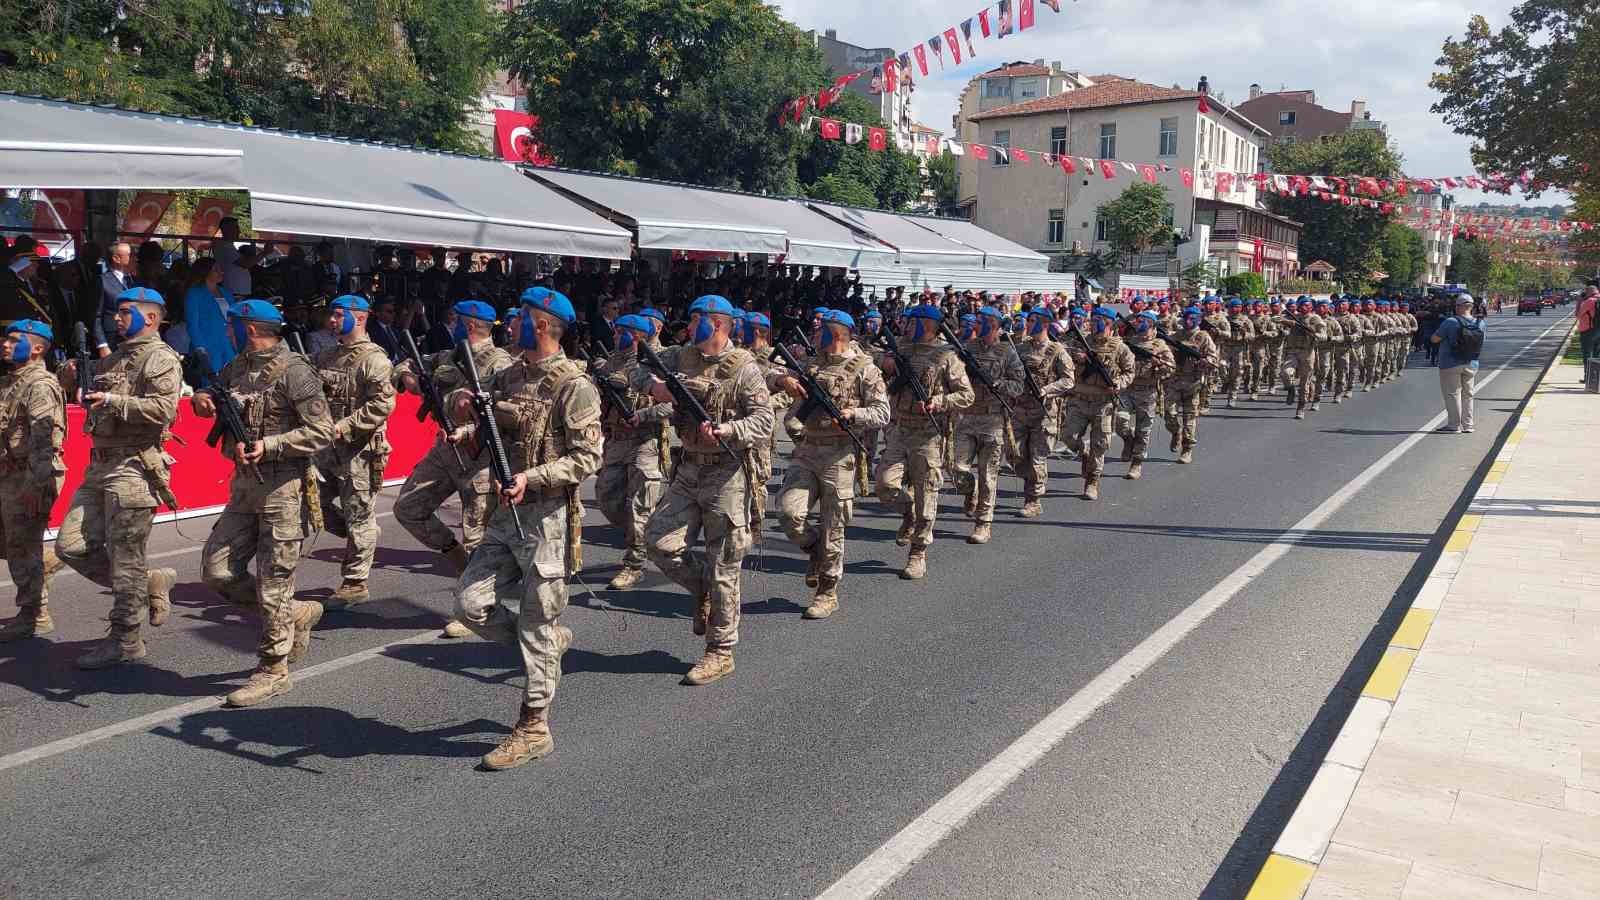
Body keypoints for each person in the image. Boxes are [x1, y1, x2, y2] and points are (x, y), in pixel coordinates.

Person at [450, 288, 601, 769]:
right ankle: (546, 647)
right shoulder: (507, 373)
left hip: (546, 519)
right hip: (503, 515)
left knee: (537, 620)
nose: (509, 323)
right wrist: (465, 414)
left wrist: (532, 478)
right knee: (470, 604)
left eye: (518, 317)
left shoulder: (574, 385)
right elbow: (482, 410)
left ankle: (533, 726)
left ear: (541, 324)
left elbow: (587, 456)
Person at [192, 299, 335, 706]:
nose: (230, 331)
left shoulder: (294, 372)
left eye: (234, 325)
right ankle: (294, 615)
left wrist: (270, 445)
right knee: (216, 570)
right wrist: (203, 400)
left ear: (251, 329)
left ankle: (274, 669)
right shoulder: (238, 366)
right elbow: (218, 394)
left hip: (283, 489)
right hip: (243, 489)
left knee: (274, 582)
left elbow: (321, 431)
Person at [638, 294, 773, 685]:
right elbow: (636, 370)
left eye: (695, 318)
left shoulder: (743, 367)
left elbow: (764, 421)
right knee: (660, 542)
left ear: (716, 324)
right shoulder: (681, 356)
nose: (687, 325)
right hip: (688, 470)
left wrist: (728, 430)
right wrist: (656, 387)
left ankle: (720, 650)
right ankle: (702, 590)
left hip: (727, 474)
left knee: (725, 564)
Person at [55, 288, 182, 667]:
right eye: (117, 312)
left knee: (126, 558)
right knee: (71, 545)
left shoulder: (159, 358)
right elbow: (82, 391)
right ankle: (150, 582)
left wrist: (113, 401)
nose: (117, 318)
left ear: (152, 318)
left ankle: (126, 639)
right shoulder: (117, 358)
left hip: (134, 466)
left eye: (126, 312)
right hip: (100, 465)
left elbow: (164, 409)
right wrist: (70, 375)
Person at [394, 300, 513, 638]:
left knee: (477, 533)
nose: (452, 323)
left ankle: (477, 608)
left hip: (480, 456)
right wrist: (408, 378)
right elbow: (406, 363)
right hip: (445, 450)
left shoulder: (500, 363)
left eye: (458, 320)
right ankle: (457, 560)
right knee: (409, 508)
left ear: (472, 324)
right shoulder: (448, 355)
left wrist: (469, 423)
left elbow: (500, 411)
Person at [774, 309, 889, 619]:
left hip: (839, 456)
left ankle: (827, 591)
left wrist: (854, 415)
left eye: (820, 330)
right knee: (788, 512)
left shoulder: (865, 369)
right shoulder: (812, 366)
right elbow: (793, 404)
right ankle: (815, 550)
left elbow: (882, 413)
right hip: (807, 451)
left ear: (836, 335)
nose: (814, 334)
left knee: (833, 525)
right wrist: (783, 383)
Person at [308, 295, 396, 607]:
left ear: (359, 318)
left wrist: (345, 426)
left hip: (359, 451)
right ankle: (365, 536)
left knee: (358, 512)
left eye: (337, 314)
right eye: (331, 315)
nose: (331, 321)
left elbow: (382, 404)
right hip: (326, 449)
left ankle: (355, 581)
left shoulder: (374, 359)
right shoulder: (327, 355)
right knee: (310, 502)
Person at [874, 303, 973, 578]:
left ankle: (918, 552)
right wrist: (885, 364)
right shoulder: (899, 349)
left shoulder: (946, 356)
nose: (906, 325)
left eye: (912, 321)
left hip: (927, 435)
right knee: (884, 484)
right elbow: (873, 369)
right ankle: (907, 513)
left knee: (926, 494)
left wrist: (938, 402)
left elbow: (966, 395)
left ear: (928, 325)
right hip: (898, 430)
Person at [0, 321, 67, 641]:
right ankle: (45, 566)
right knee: (13, 544)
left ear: (38, 348)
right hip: (9, 472)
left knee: (21, 545)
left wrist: (35, 485)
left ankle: (35, 614)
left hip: (29, 474)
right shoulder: (10, 382)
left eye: (15, 340)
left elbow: (45, 442)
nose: (6, 344)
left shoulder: (39, 385)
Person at [592, 314, 670, 591]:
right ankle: (643, 537)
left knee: (639, 507)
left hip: (644, 442)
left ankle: (634, 563)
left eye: (620, 332)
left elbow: (675, 405)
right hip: (616, 440)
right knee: (606, 497)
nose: (615, 336)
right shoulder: (612, 360)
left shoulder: (654, 363)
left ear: (635, 335)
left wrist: (643, 414)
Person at [951, 306, 1023, 544]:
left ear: (993, 325)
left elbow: (1018, 386)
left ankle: (983, 523)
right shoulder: (965, 349)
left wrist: (996, 384)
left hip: (993, 421)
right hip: (966, 417)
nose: (976, 325)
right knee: (958, 468)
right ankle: (968, 492)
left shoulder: (1007, 352)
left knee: (988, 474)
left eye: (981, 321)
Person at [1061, 307, 1135, 499]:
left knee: (1100, 444)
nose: (1093, 324)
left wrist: (1118, 384)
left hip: (1103, 402)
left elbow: (1129, 372)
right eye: (1092, 321)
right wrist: (1076, 359)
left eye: (1098, 321)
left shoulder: (1120, 348)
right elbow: (1062, 356)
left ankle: (1092, 481)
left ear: (1108, 323)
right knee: (1068, 435)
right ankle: (1082, 451)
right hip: (1079, 398)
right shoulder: (1080, 342)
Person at [1011, 307, 1074, 515]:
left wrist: (1047, 389)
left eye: (1032, 320)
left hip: (1044, 413)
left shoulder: (1057, 351)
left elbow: (1068, 380)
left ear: (1045, 324)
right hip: (1020, 410)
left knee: (1037, 457)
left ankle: (1033, 500)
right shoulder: (1019, 348)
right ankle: (1032, 482)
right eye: (1027, 320)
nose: (1027, 324)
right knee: (1015, 455)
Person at [1116, 311, 1176, 479]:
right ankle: (1128, 440)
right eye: (1138, 320)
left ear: (1151, 324)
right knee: (1119, 419)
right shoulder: (1129, 342)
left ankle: (1137, 463)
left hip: (1147, 392)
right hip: (1127, 388)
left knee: (1143, 430)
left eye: (1142, 320)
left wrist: (1158, 366)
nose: (1138, 322)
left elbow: (1170, 369)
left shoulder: (1160, 346)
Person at [1162, 306, 1221, 464]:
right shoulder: (1175, 336)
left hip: (1193, 382)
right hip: (1174, 381)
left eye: (1192, 318)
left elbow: (1213, 358)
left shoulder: (1203, 337)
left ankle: (1187, 449)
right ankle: (1176, 433)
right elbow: (1164, 352)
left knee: (1189, 418)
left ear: (1198, 320)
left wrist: (1205, 361)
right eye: (1186, 318)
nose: (1188, 321)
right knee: (1168, 413)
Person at [1432, 295, 1483, 434]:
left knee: (1453, 394)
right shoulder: (1480, 323)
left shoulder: (1450, 322)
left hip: (1450, 363)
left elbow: (1435, 339)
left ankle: (1454, 425)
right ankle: (1468, 425)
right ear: (1471, 307)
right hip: (1472, 363)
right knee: (1468, 394)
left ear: (1459, 307)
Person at [184, 258, 237, 371]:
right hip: (208, 347)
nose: (221, 272)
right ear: (205, 272)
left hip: (228, 345)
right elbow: (192, 325)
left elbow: (234, 318)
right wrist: (200, 349)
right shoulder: (194, 293)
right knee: (210, 383)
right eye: (216, 269)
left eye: (221, 269)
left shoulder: (226, 292)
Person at [97, 243, 135, 355]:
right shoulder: (102, 281)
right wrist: (102, 344)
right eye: (130, 254)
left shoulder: (131, 280)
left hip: (131, 338)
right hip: (112, 340)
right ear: (116, 258)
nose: (134, 258)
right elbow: (96, 315)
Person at [1577, 284, 1600, 371]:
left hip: (1588, 330)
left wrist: (1580, 301)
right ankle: (1596, 377)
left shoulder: (1589, 301)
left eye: (1585, 292)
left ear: (1589, 292)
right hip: (1598, 330)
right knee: (1597, 354)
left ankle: (1587, 376)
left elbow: (1578, 315)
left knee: (1587, 353)